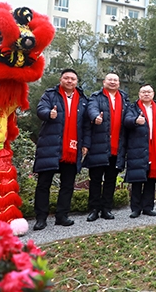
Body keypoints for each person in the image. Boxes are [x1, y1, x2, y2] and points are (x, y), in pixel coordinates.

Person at [32, 69, 90, 230]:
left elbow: (86, 125)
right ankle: (41, 218)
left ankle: (62, 216)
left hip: (72, 147)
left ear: (76, 82)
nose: (69, 81)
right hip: (51, 145)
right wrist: (48, 113)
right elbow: (40, 109)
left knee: (67, 184)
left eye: (73, 79)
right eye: (66, 78)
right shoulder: (50, 94)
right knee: (44, 184)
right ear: (61, 79)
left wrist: (86, 144)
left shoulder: (83, 100)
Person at [84, 73, 129, 222]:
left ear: (119, 83)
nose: (112, 82)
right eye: (110, 79)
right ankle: (94, 209)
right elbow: (91, 109)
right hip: (99, 145)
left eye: (115, 80)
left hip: (117, 147)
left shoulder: (124, 99)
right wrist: (95, 116)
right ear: (104, 82)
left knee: (111, 179)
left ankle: (106, 209)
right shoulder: (96, 97)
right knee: (95, 179)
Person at [118, 84, 156, 218]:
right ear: (139, 94)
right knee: (137, 180)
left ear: (153, 94)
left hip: (154, 148)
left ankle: (148, 207)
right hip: (137, 147)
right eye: (143, 92)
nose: (146, 94)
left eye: (149, 92)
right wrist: (135, 121)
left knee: (151, 180)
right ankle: (135, 208)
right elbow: (126, 121)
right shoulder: (132, 108)